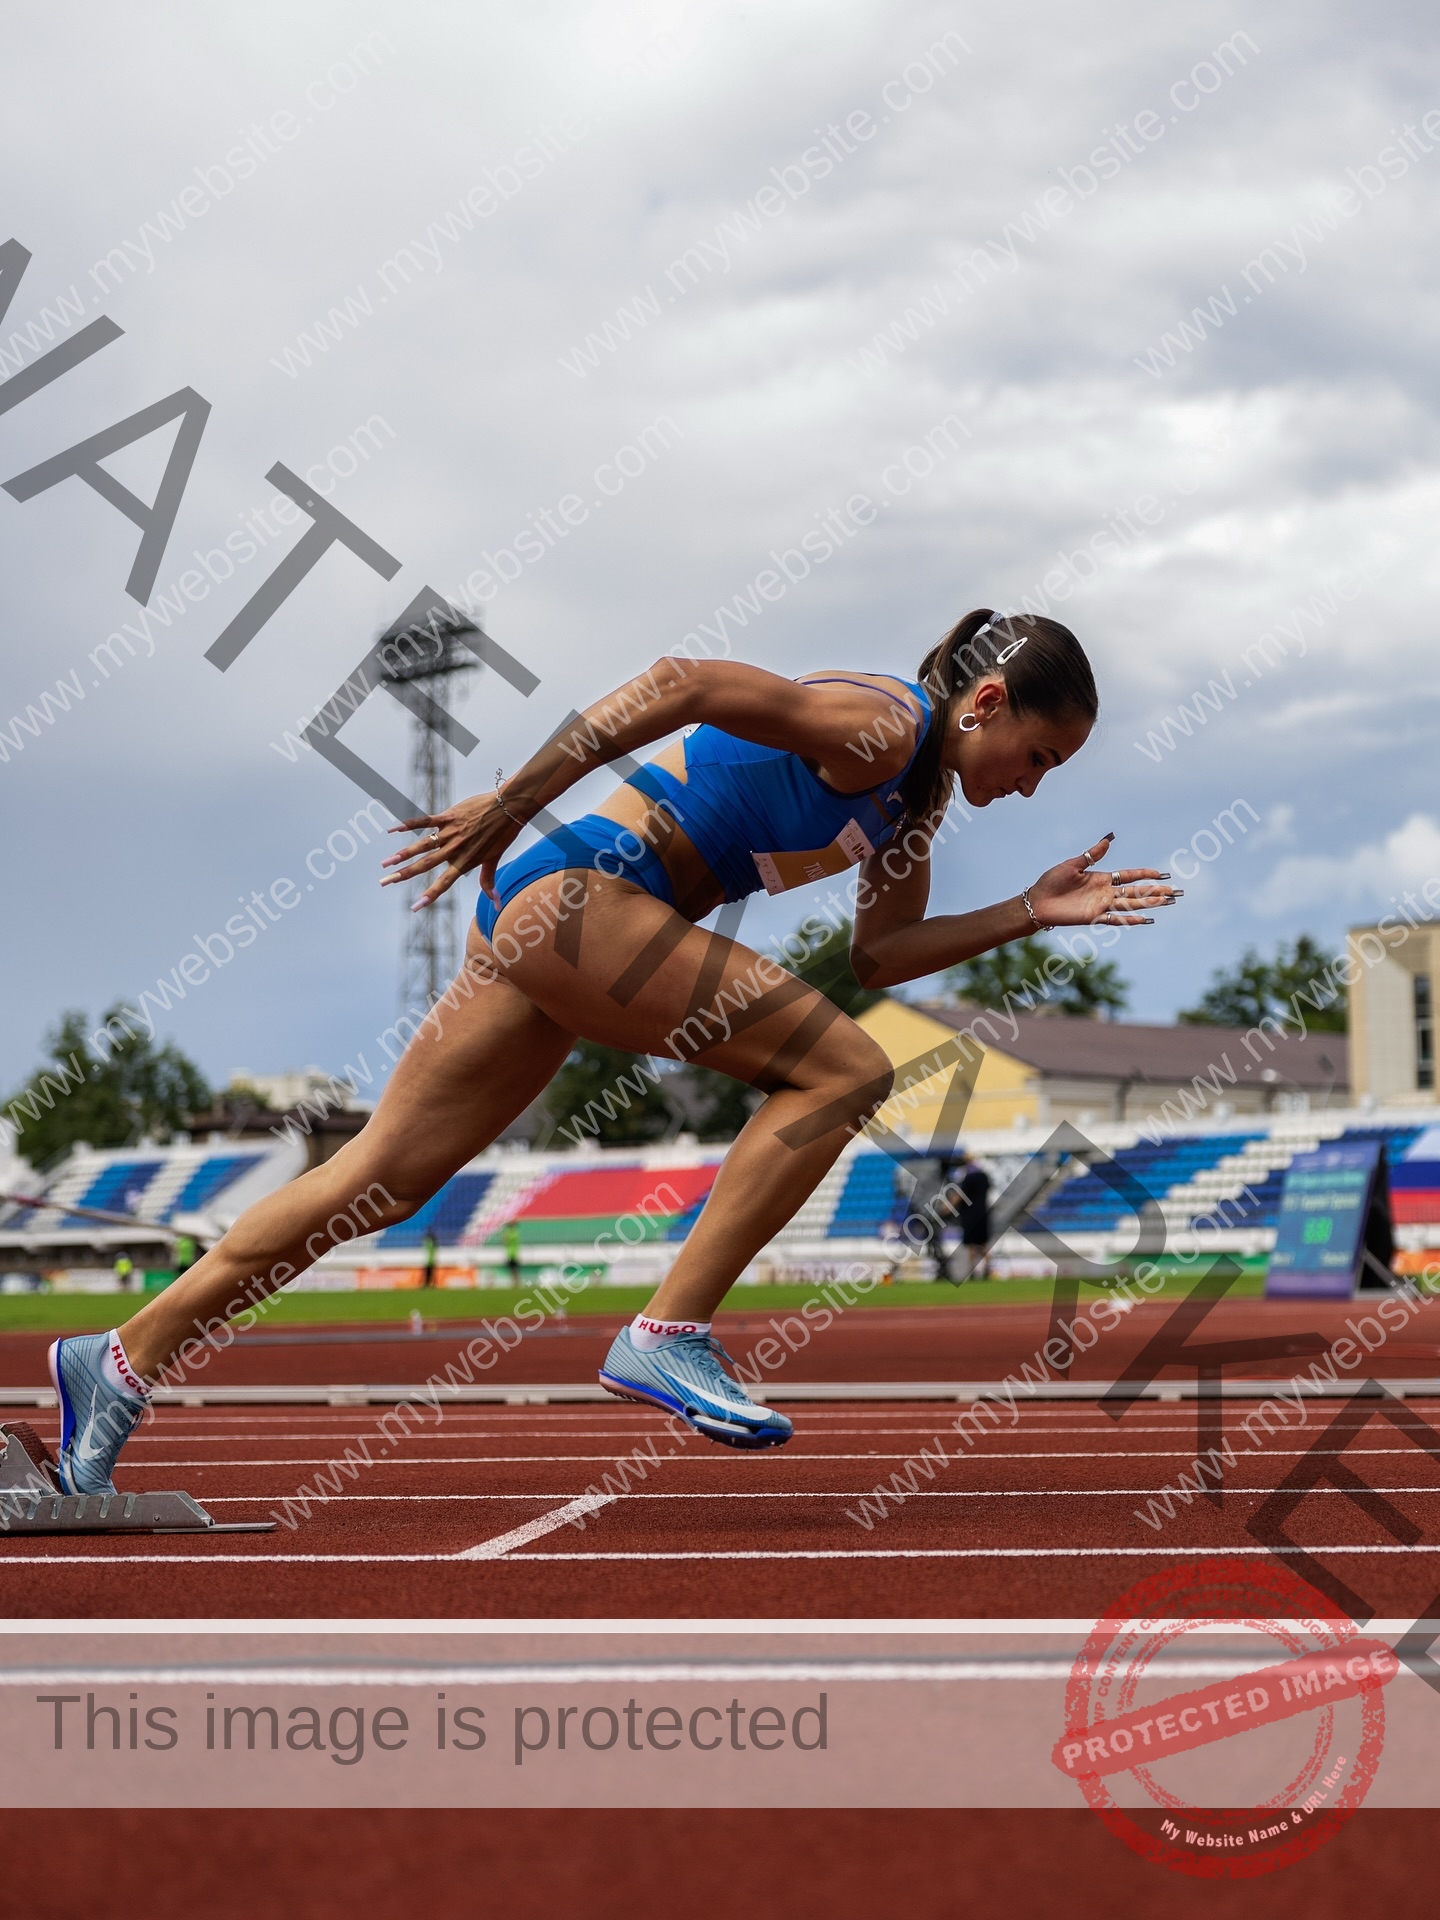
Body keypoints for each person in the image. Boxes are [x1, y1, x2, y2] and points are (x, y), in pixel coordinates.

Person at [45, 609, 1180, 1490]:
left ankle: (122, 1359)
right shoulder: (882, 724)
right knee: (849, 1071)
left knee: (376, 1179)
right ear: (987, 700)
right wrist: (515, 799)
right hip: (581, 896)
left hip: (570, 926)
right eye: (1040, 756)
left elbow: (882, 955)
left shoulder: (910, 806)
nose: (1032, 785)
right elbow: (683, 682)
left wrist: (1031, 910)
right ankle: (666, 1331)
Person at [951, 1150, 992, 1281]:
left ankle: (973, 1270)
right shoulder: (984, 1176)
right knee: (983, 1244)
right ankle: (987, 1268)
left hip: (970, 1214)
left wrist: (948, 1207)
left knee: (972, 1245)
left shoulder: (968, 1177)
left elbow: (961, 1195)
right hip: (983, 1212)